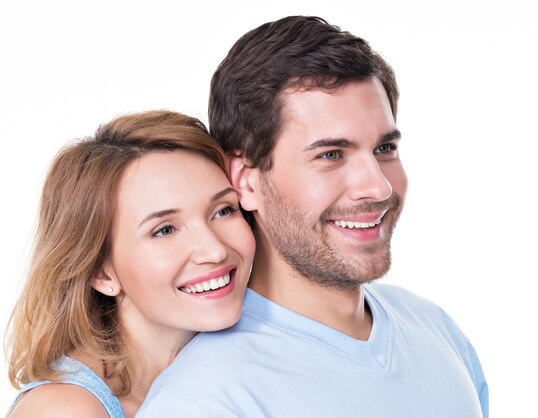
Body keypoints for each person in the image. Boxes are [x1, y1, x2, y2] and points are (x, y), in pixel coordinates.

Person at [139, 16, 489, 417]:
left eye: (384, 149)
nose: (378, 188)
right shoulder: (204, 399)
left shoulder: (436, 330)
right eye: (330, 155)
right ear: (246, 181)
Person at [5, 110, 255, 417]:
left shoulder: (235, 373)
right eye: (164, 230)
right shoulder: (66, 409)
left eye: (223, 210)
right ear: (101, 272)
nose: (215, 250)